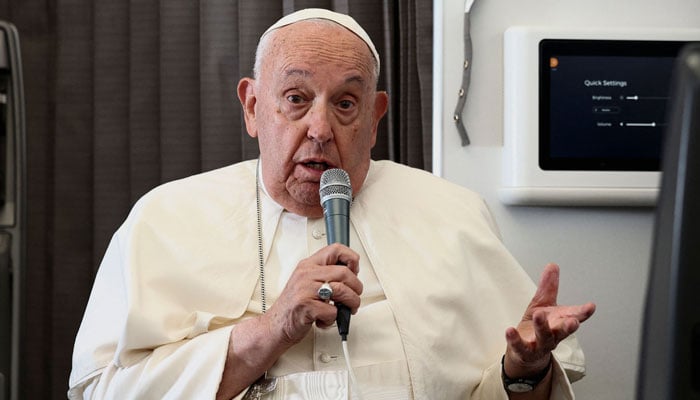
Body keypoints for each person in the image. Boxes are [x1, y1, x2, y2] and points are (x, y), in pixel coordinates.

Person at [68, 8, 596, 400]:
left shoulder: (453, 215)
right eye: (296, 99)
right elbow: (99, 388)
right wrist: (271, 330)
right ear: (253, 107)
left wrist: (522, 372)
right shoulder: (164, 219)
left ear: (375, 118)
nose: (320, 130)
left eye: (345, 104)